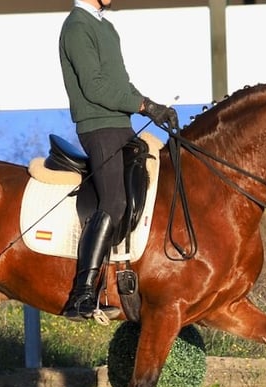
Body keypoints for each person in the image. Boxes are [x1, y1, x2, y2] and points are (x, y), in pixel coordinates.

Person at [59, 0, 178, 321]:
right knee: (113, 202)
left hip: (120, 125)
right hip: (98, 126)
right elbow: (96, 88)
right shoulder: (77, 27)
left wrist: (150, 105)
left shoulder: (105, 26)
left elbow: (121, 82)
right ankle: (81, 295)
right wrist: (142, 106)